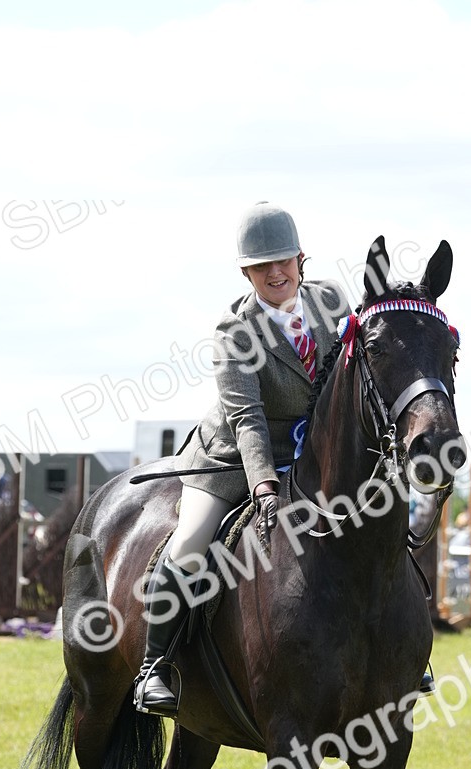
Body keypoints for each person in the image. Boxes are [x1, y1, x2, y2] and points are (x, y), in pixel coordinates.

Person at [133, 202, 349, 716]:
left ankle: (403, 654)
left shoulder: (335, 305)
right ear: (245, 272)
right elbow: (248, 419)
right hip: (235, 458)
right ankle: (153, 667)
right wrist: (265, 487)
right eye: (262, 266)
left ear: (302, 259)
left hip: (315, 455)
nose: (276, 273)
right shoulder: (235, 333)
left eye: (283, 261)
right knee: (189, 543)